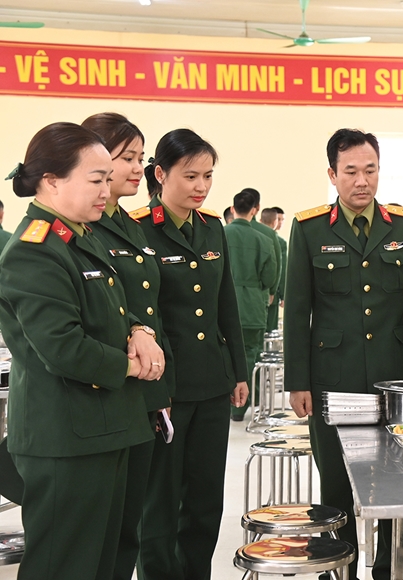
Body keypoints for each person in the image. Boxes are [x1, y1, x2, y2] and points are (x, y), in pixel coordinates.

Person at [0, 121, 163, 580]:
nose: (106, 191)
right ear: (52, 180)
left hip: (103, 426)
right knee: (65, 565)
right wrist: (131, 366)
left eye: (107, 179)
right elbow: (63, 347)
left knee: (104, 563)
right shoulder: (33, 250)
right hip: (66, 438)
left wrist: (138, 329)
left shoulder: (78, 236)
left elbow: (110, 309)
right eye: (96, 180)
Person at [284, 128, 403, 580]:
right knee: (336, 483)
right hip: (333, 379)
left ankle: (387, 568)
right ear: (332, 174)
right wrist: (298, 382)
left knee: (396, 480)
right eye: (350, 172)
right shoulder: (309, 229)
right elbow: (297, 311)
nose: (361, 181)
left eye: (370, 170)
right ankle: (337, 567)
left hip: (395, 379)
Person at [135, 128, 249, 580]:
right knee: (160, 503)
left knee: (205, 501)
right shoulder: (138, 228)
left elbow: (226, 306)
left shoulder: (213, 227)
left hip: (211, 383)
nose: (201, 186)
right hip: (165, 386)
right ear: (161, 174)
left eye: (208, 176)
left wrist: (238, 371)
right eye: (190, 176)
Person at [81, 112, 174, 580]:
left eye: (141, 157)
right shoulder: (84, 227)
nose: (139, 168)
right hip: (106, 392)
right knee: (97, 536)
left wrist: (159, 391)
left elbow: (145, 309)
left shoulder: (130, 224)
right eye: (127, 158)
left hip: (142, 393)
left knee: (126, 530)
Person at [225, 189, 278, 421]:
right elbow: (270, 278)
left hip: (222, 306)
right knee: (249, 355)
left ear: (232, 209)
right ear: (255, 210)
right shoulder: (264, 240)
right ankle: (241, 406)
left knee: (223, 354)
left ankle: (225, 405)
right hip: (252, 308)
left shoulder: (219, 235)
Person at [243, 190, 281, 332]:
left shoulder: (224, 232)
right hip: (258, 296)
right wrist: (272, 291)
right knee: (256, 342)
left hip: (230, 299)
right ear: (257, 207)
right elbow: (275, 266)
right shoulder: (268, 233)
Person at [260, 206, 287, 331]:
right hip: (272, 292)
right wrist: (283, 294)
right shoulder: (279, 242)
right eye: (278, 219)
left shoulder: (254, 236)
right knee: (270, 330)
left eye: (282, 220)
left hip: (254, 292)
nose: (280, 223)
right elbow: (281, 269)